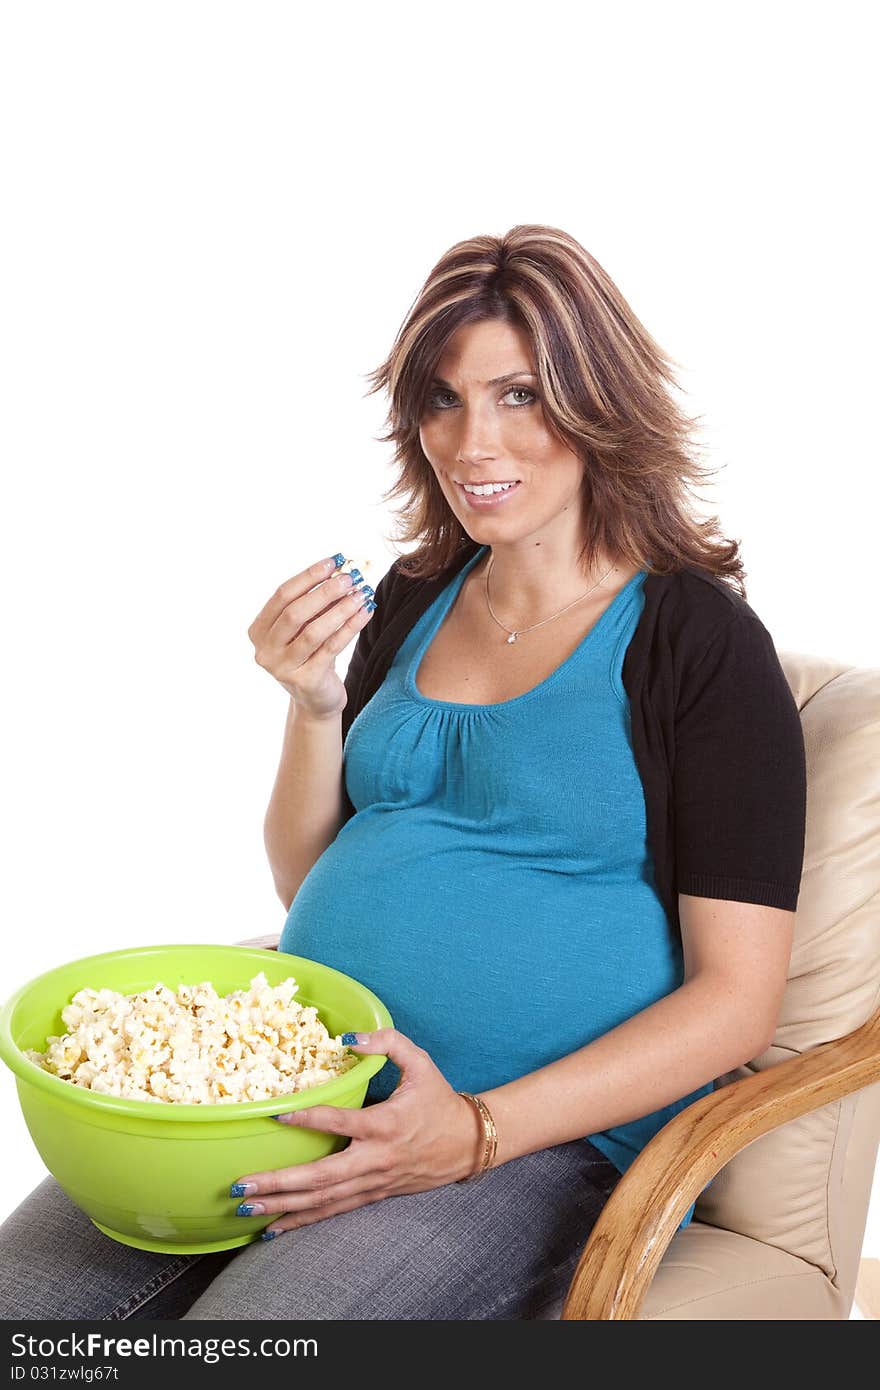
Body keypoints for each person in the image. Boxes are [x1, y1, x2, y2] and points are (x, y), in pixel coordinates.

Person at [0, 224, 806, 1321]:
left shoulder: (696, 643)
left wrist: (471, 1132)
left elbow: (737, 1002)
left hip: (529, 1143)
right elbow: (309, 877)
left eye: (520, 395)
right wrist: (312, 702)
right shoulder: (420, 593)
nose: (472, 442)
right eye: (440, 399)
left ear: (596, 402)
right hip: (293, 1089)